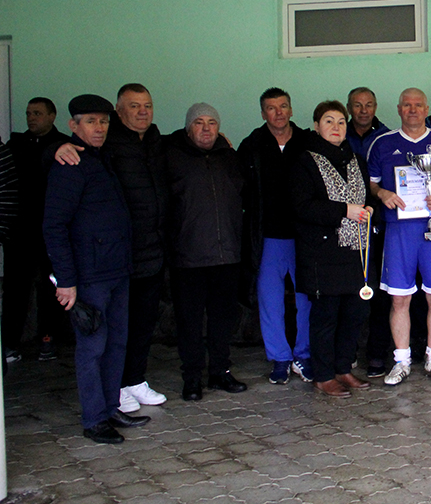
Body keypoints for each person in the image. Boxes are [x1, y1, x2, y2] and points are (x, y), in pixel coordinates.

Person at [55, 85, 172, 411]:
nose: (142, 111)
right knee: (108, 336)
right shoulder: (104, 146)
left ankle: (133, 380)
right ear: (119, 112)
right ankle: (111, 395)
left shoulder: (157, 141)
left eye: (147, 105)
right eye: (134, 106)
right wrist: (53, 148)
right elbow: (67, 156)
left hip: (151, 252)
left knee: (140, 326)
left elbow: (193, 138)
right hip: (113, 258)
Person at [43, 94, 149, 444]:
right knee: (93, 349)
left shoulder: (101, 158)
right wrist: (66, 281)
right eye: (90, 121)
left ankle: (109, 408)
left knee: (116, 344)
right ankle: (94, 420)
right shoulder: (69, 163)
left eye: (103, 121)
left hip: (116, 270)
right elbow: (54, 226)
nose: (99, 127)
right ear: (73, 126)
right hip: (89, 276)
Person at [367, 88, 431, 385]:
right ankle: (401, 361)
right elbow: (371, 184)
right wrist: (382, 193)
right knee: (399, 299)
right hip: (399, 231)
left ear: (426, 109)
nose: (412, 110)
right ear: (398, 109)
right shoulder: (382, 143)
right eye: (407, 105)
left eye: (418, 105)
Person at [291, 101, 376, 398]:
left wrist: (369, 209)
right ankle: (323, 375)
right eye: (329, 121)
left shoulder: (356, 159)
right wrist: (344, 211)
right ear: (317, 126)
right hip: (324, 253)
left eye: (341, 121)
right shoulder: (304, 161)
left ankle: (343, 369)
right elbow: (302, 206)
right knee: (326, 317)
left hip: (357, 251)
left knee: (354, 313)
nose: (336, 127)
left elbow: (367, 197)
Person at [167, 103, 248, 401]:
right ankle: (191, 378)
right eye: (199, 123)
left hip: (226, 254)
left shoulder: (229, 157)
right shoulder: (172, 156)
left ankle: (219, 372)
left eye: (211, 122)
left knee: (223, 319)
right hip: (188, 255)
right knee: (189, 321)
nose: (205, 129)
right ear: (188, 128)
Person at [239, 88, 312, 385]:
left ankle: (303, 355)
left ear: (291, 110)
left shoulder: (308, 142)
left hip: (305, 235)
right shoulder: (252, 145)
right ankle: (280, 358)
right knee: (270, 301)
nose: (278, 112)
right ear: (263, 113)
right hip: (267, 236)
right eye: (271, 108)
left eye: (283, 106)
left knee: (308, 298)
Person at [6, 97, 66, 363]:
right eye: (29, 113)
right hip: (20, 229)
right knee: (15, 287)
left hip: (52, 229)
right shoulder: (16, 146)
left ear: (52, 116)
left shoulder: (64, 145)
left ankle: (48, 338)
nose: (31, 118)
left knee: (52, 286)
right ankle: (9, 342)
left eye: (38, 113)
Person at [345, 87, 394, 378]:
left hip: (381, 224)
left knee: (381, 292)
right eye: (357, 105)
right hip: (346, 225)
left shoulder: (388, 138)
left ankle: (377, 353)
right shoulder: (338, 136)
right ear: (349, 108)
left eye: (369, 105)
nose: (363, 110)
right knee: (349, 290)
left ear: (376, 107)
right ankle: (347, 351)